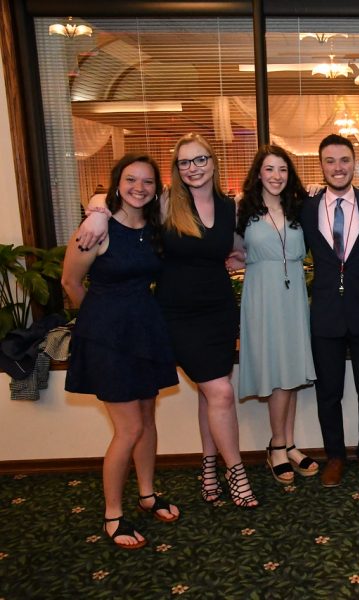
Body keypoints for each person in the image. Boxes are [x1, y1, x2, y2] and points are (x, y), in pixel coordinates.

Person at [77, 133, 258, 508]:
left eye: (200, 160)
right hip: (175, 312)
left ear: (213, 161)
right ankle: (236, 472)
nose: (193, 168)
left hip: (219, 310)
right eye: (184, 162)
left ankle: (208, 466)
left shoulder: (230, 206)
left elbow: (236, 245)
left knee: (213, 391)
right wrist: (96, 211)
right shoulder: (163, 203)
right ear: (176, 169)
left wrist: (241, 258)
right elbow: (115, 199)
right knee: (220, 392)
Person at [63, 153, 180, 549]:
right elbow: (70, 282)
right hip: (108, 337)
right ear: (117, 183)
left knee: (147, 419)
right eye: (131, 180)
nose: (139, 188)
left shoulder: (153, 226)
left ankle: (146, 494)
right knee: (128, 429)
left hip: (145, 331)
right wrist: (101, 323)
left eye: (147, 182)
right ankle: (113, 514)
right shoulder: (98, 226)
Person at [300, 134, 359, 487]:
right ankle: (334, 456)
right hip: (324, 313)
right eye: (330, 161)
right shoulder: (305, 207)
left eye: (344, 160)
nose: (338, 167)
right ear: (321, 166)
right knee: (329, 392)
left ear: (354, 163)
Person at [235, 145, 318, 485]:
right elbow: (233, 250)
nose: (276, 176)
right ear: (258, 174)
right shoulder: (241, 211)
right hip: (263, 298)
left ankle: (286, 443)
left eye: (282, 169)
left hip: (294, 297)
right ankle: (278, 446)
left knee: (291, 371)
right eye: (269, 169)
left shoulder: (300, 208)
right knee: (276, 371)